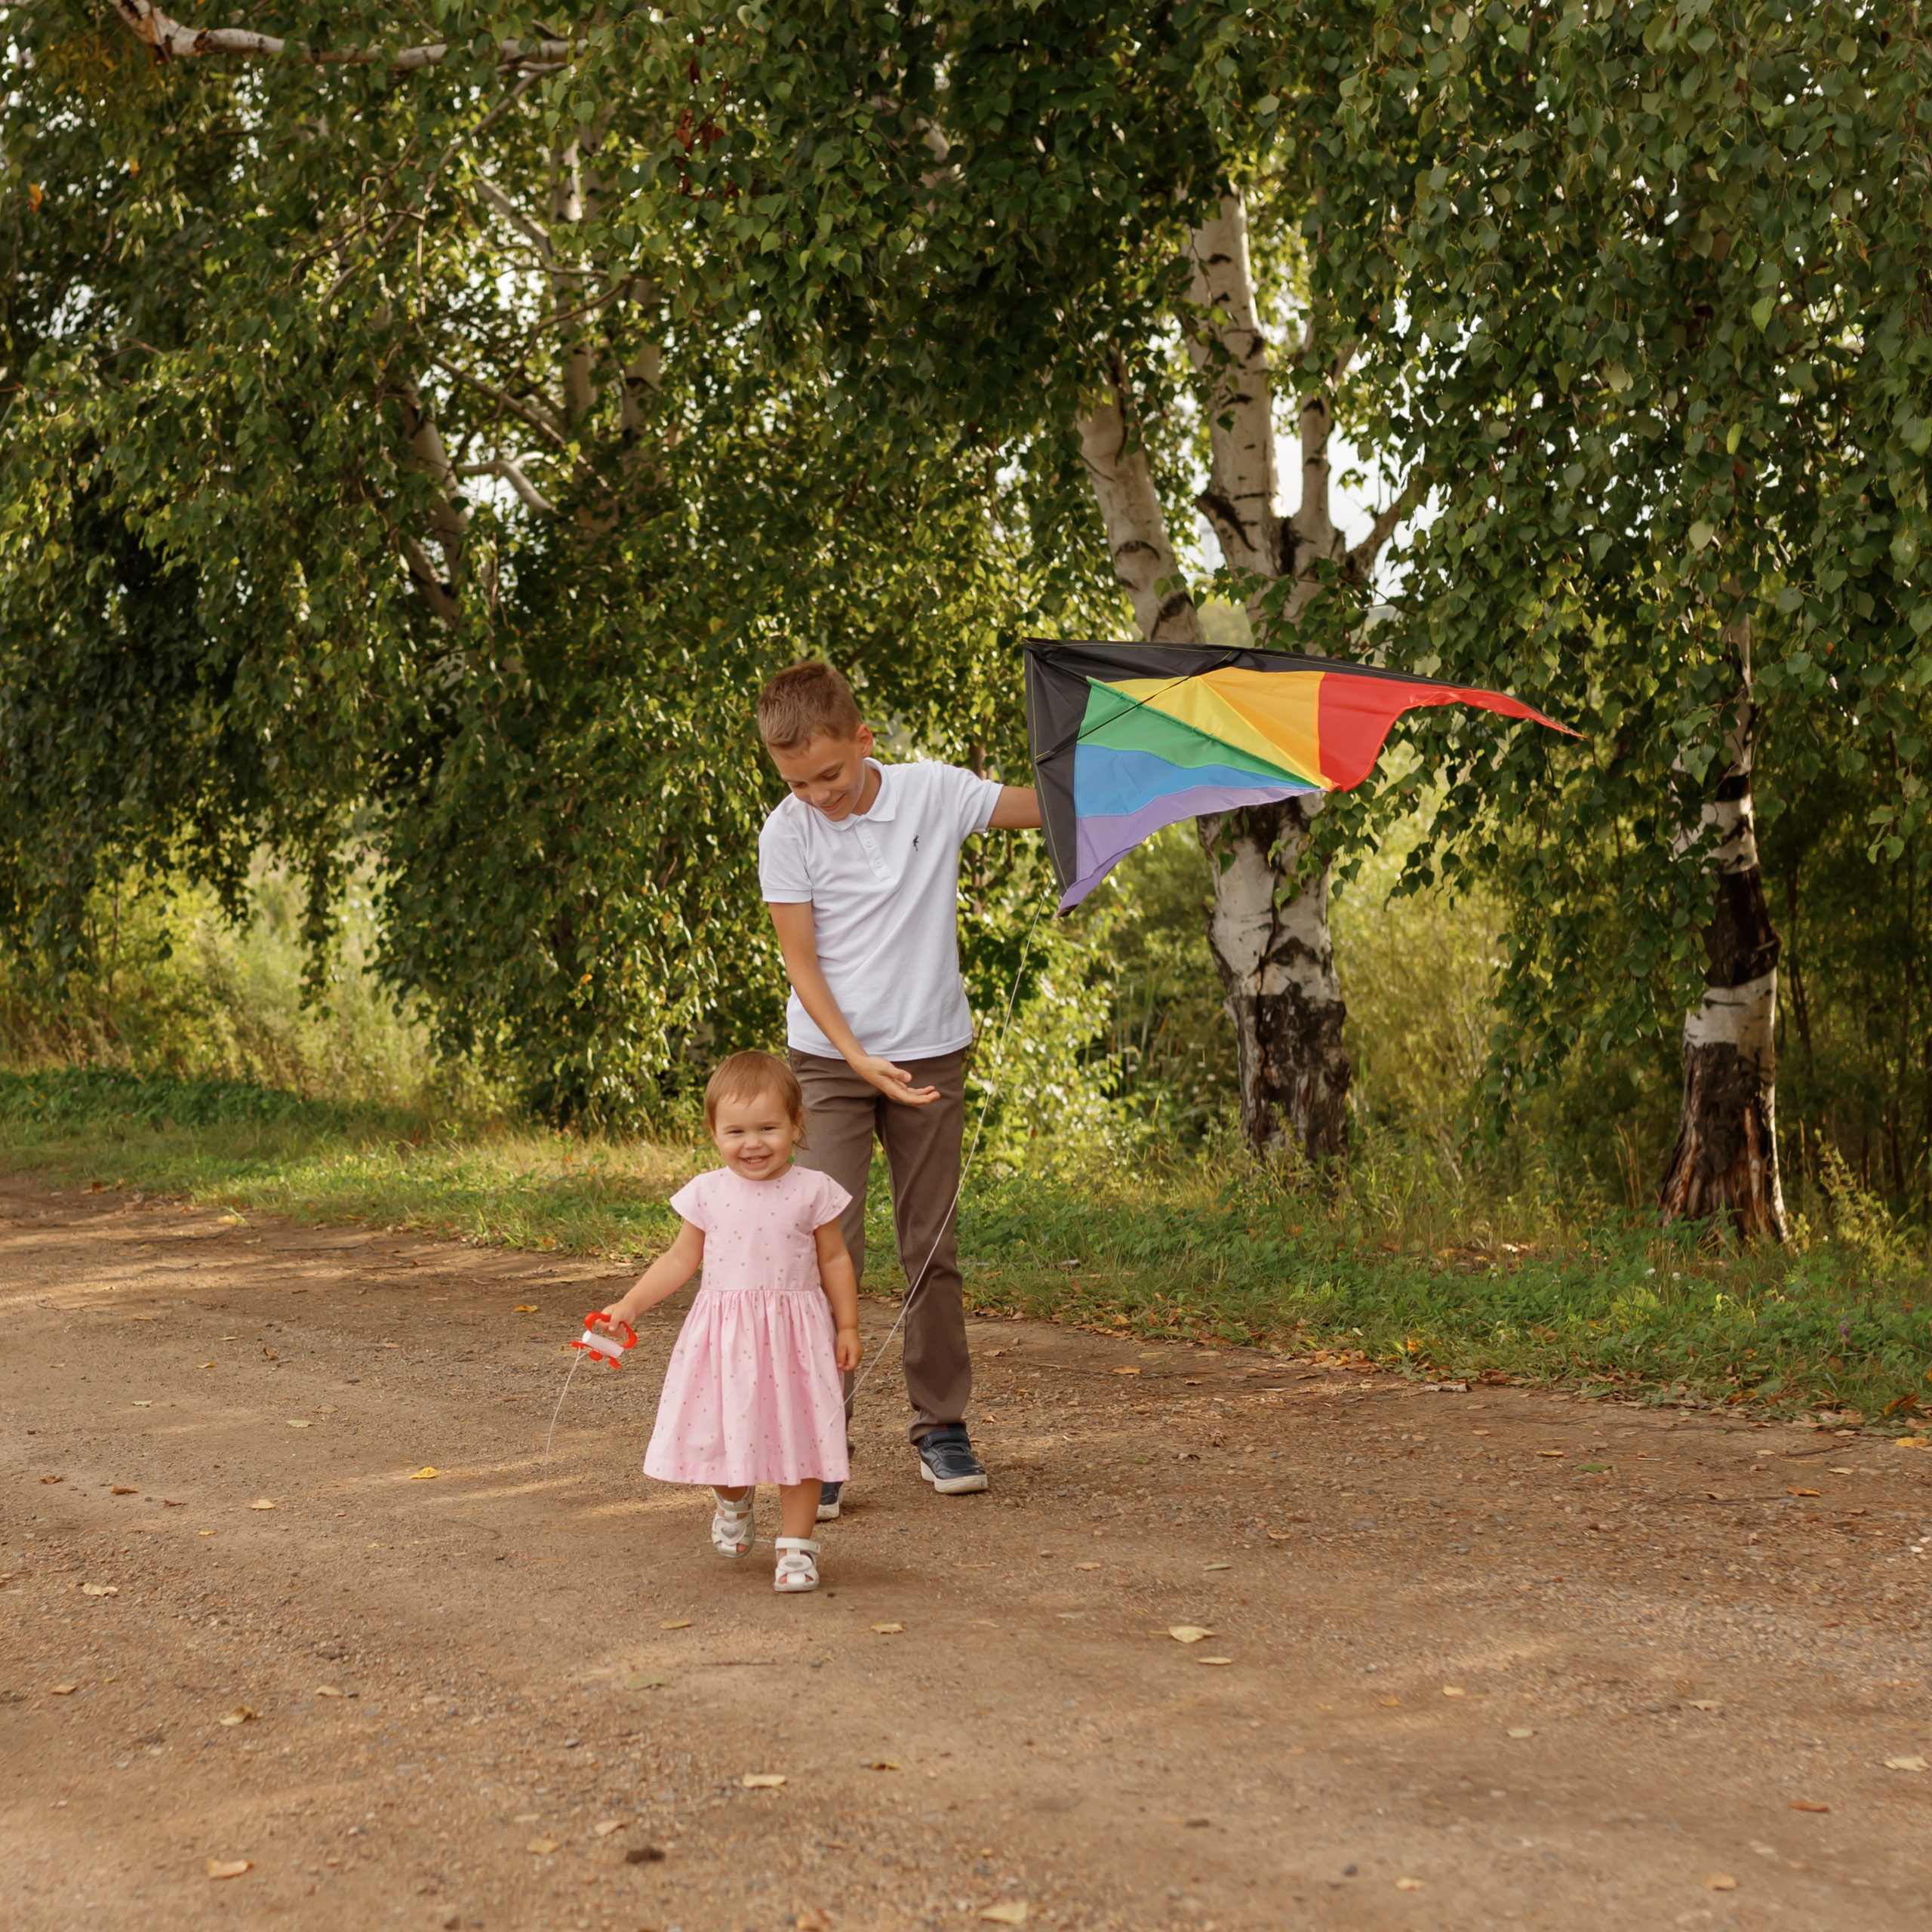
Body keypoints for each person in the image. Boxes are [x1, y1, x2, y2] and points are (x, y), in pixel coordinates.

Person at [755, 660, 1041, 1515]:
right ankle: (818, 1439)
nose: (817, 794)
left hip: (930, 1056)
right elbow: (801, 966)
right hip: (829, 1063)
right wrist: (856, 1055)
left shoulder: (932, 794)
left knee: (932, 1246)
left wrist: (1103, 805)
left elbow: (1043, 808)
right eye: (797, 782)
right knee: (823, 1245)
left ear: (863, 738)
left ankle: (941, 1426)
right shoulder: (789, 832)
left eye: (829, 774)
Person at [595, 1051, 861, 1594]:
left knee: (802, 1442)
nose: (753, 1143)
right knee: (722, 1433)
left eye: (769, 1127)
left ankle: (796, 1549)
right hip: (726, 1338)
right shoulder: (707, 1193)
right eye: (735, 1131)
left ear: (795, 1125)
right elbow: (677, 1260)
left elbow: (835, 1260)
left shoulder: (814, 1191)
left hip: (799, 1339)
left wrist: (849, 1325)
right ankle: (733, 1501)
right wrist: (630, 1304)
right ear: (714, 1133)